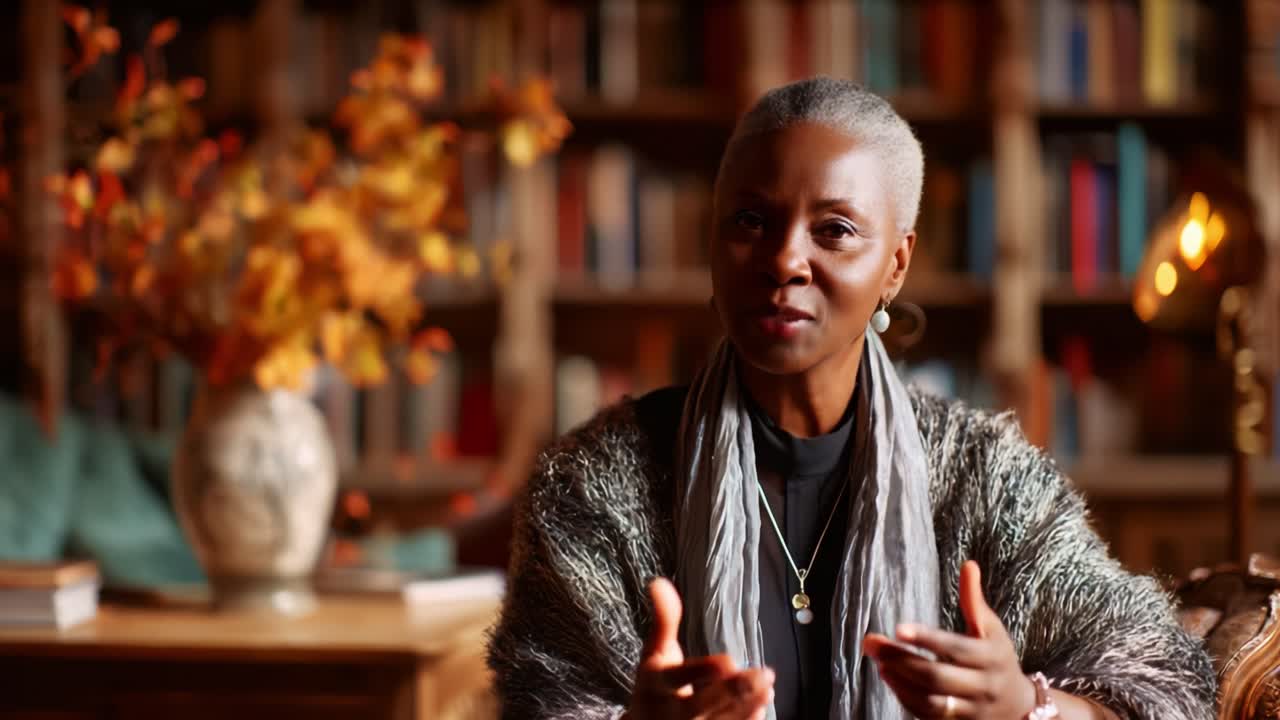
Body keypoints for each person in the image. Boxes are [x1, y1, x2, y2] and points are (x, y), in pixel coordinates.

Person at [486, 77, 1215, 720]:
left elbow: (1166, 687)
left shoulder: (986, 480)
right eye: (750, 221)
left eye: (833, 231)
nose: (784, 260)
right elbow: (540, 703)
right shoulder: (593, 487)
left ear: (895, 264)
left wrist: (1027, 706)